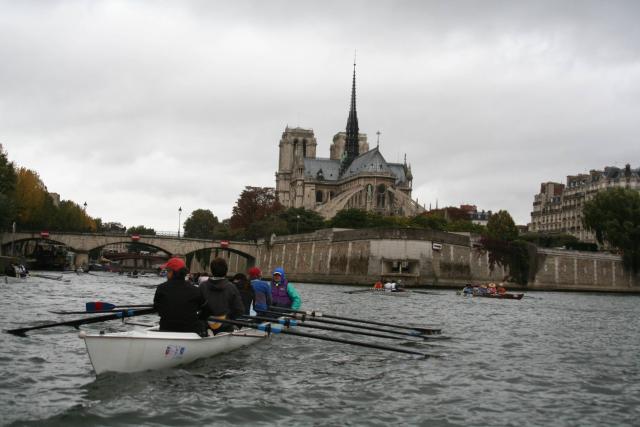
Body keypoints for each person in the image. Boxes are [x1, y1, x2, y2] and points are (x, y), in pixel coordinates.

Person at [153, 257, 206, 336]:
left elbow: (157, 308)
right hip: (189, 332)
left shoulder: (161, 288)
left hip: (166, 330)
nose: (166, 274)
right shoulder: (195, 290)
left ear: (171, 272)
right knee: (202, 323)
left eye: (167, 271)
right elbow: (204, 309)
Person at [199, 258, 245, 334]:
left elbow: (198, 308)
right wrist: (230, 318)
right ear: (226, 271)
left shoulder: (202, 286)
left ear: (211, 270)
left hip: (205, 326)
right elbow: (239, 310)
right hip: (225, 327)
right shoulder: (231, 287)